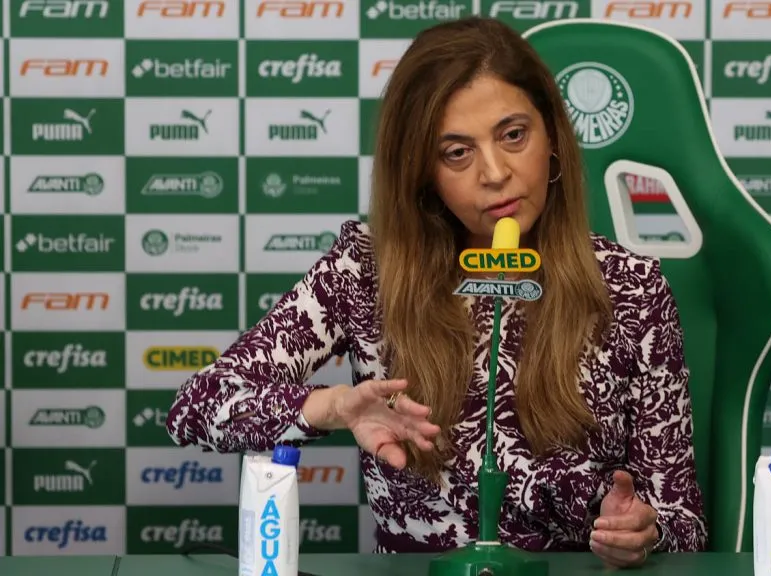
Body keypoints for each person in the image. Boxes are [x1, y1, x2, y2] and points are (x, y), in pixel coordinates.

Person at [166, 16, 707, 567]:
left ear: (553, 140)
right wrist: (336, 408)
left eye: (513, 134)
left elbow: (684, 524)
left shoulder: (630, 286)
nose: (494, 173)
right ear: (423, 172)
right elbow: (198, 406)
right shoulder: (366, 270)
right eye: (457, 152)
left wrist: (642, 531)